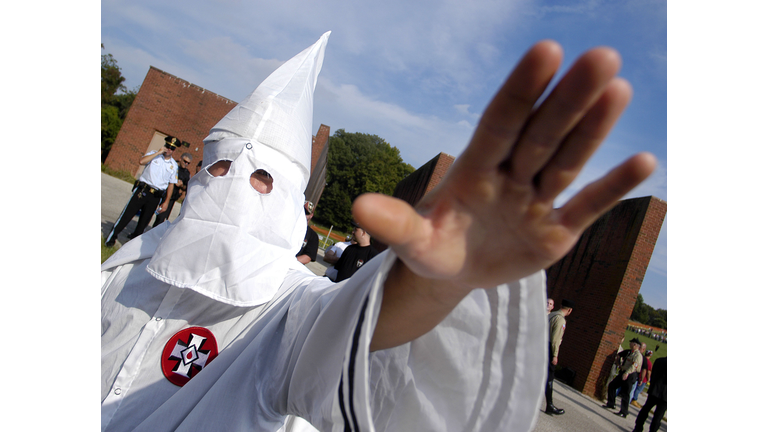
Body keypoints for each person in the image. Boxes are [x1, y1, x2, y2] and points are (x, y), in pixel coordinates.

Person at [101, 33, 657, 432]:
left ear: (293, 199)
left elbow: (358, 338)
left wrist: (429, 285)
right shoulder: (122, 270)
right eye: (219, 166)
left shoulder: (289, 312)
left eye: (263, 177)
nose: (234, 183)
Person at [105, 136, 179, 247]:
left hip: (156, 196)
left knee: (143, 223)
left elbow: (171, 185)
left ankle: (131, 247)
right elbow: (141, 161)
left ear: (174, 150)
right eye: (168, 146)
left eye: (172, 148)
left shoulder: (173, 165)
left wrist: (166, 202)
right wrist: (158, 152)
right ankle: (111, 238)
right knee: (126, 216)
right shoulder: (154, 155)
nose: (169, 150)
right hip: (143, 191)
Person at [544, 299, 574, 415]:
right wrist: (555, 355)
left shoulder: (551, 315)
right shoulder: (561, 320)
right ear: (570, 310)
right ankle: (550, 405)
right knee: (549, 377)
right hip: (549, 348)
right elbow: (555, 340)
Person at [604, 338, 643, 418]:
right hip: (624, 372)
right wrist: (620, 365)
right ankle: (611, 403)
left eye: (631, 343)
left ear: (635, 345)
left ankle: (624, 411)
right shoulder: (630, 352)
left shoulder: (638, 355)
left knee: (625, 393)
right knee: (612, 385)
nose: (630, 344)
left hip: (630, 375)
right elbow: (621, 357)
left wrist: (627, 373)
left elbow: (634, 366)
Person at [153, 152, 193, 227]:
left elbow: (186, 187)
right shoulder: (173, 166)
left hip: (171, 197)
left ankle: (154, 234)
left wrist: (181, 185)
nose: (186, 164)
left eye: (188, 163)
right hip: (161, 193)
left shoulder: (186, 173)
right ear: (180, 159)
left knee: (162, 219)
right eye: (185, 161)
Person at [632, 356, 666, 432]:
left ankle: (638, 428)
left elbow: (653, 374)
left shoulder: (658, 360)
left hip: (654, 390)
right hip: (665, 395)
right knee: (658, 416)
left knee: (645, 410)